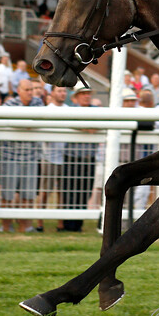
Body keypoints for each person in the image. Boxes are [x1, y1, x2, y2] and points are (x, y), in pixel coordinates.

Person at [1, 79, 44, 233]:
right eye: (26, 89)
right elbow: (10, 123)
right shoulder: (9, 104)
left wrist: (23, 122)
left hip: (31, 156)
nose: (30, 92)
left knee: (29, 194)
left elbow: (38, 122)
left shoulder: (38, 102)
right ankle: (5, 226)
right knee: (7, 194)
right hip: (10, 156)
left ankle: (24, 227)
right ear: (18, 90)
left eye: (31, 89)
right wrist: (27, 123)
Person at [62, 82, 97, 232]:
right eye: (83, 94)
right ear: (76, 97)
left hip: (88, 158)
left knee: (85, 191)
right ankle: (69, 225)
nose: (86, 96)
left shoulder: (97, 110)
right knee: (70, 191)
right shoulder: (71, 111)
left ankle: (78, 225)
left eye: (88, 94)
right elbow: (69, 123)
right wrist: (87, 127)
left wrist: (85, 126)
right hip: (71, 157)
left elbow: (97, 126)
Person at [38, 85, 68, 232]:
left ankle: (60, 224)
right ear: (52, 93)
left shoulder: (70, 109)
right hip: (48, 157)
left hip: (64, 157)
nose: (62, 93)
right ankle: (39, 223)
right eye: (59, 91)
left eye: (64, 91)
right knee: (45, 191)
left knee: (61, 192)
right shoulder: (47, 110)